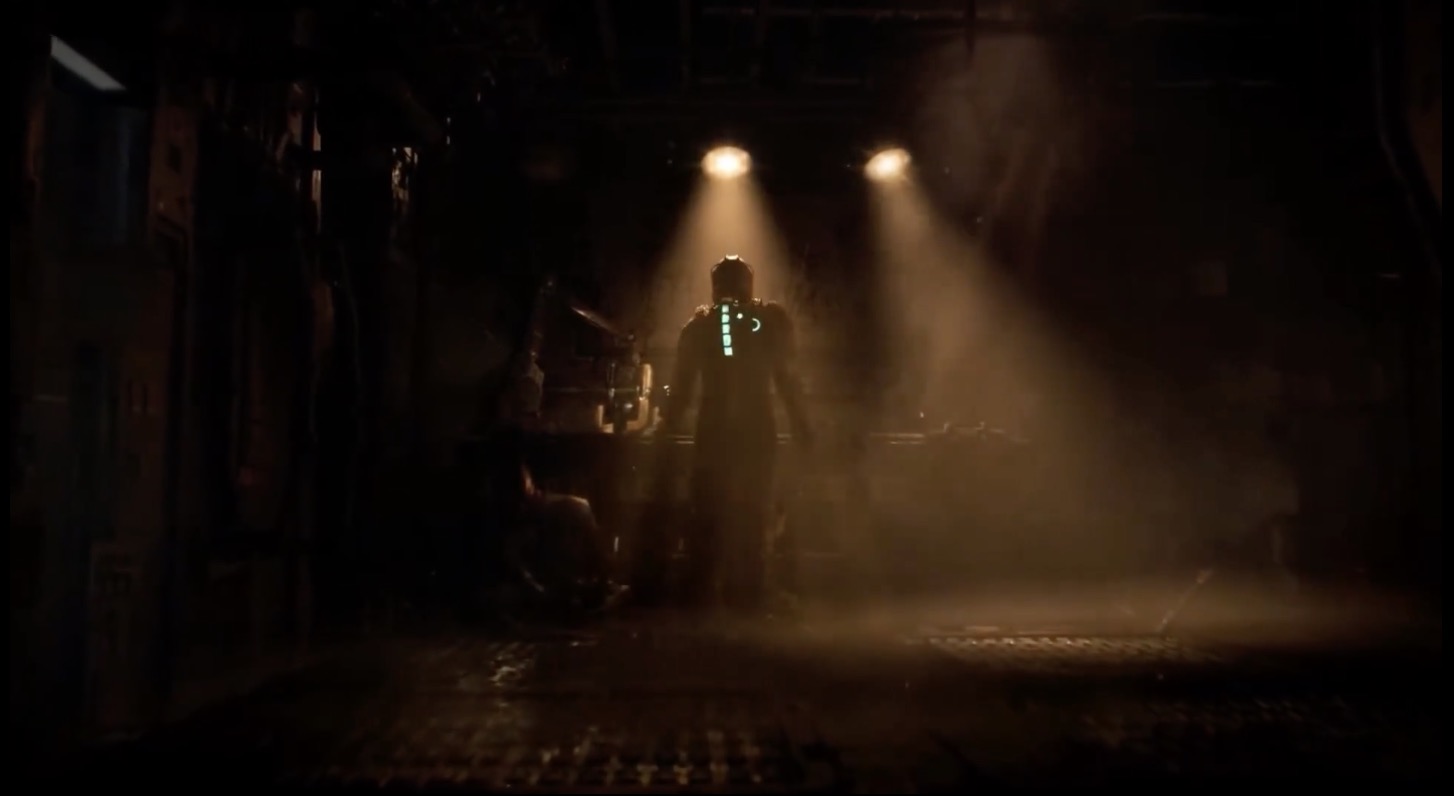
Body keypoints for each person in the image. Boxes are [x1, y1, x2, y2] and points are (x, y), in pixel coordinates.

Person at [658, 255, 813, 612]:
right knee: (750, 511)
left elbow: (681, 390)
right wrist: (802, 426)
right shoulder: (768, 321)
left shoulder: (701, 326)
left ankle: (704, 593)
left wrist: (666, 428)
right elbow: (788, 380)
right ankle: (745, 593)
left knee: (711, 510)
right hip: (754, 429)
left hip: (716, 429)